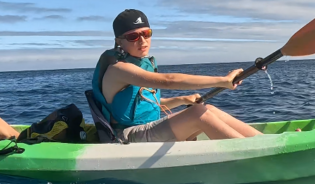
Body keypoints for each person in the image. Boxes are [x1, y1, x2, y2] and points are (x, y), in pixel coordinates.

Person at [91, 9, 263, 143]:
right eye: (133, 37)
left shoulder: (139, 64)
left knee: (208, 109)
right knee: (198, 114)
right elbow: (168, 81)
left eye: (146, 34)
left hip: (145, 129)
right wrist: (223, 81)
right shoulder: (118, 70)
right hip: (126, 137)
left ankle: (263, 142)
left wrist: (182, 99)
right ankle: (255, 155)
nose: (142, 41)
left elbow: (149, 106)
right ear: (119, 41)